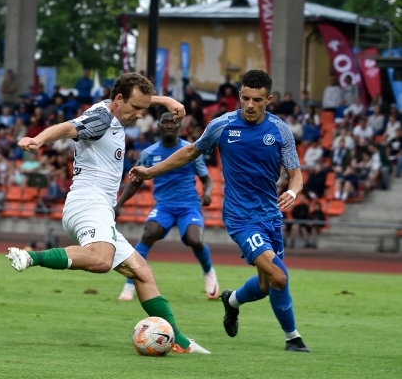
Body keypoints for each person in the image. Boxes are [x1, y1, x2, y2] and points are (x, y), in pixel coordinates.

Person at [6, 72, 210, 354]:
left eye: (143, 107)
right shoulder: (101, 120)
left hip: (97, 206)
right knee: (101, 260)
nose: (140, 115)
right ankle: (30, 256)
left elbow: (138, 98)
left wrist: (164, 101)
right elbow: (67, 128)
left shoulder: (113, 106)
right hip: (88, 202)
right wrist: (39, 140)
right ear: (118, 99)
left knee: (142, 273)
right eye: (136, 108)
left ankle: (181, 343)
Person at [129, 70, 309, 352]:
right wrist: (151, 171)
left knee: (265, 285)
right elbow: (190, 153)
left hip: (270, 216)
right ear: (239, 96)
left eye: (257, 100)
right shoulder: (222, 126)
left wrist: (292, 191)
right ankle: (293, 338)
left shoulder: (280, 130)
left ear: (269, 100)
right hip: (240, 218)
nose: (250, 105)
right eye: (245, 98)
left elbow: (295, 174)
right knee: (280, 276)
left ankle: (233, 300)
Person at [114, 111, 219, 301]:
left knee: (195, 240)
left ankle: (209, 272)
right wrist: (119, 204)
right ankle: (130, 283)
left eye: (173, 122)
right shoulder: (149, 154)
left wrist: (207, 193)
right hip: (164, 206)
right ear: (159, 126)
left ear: (179, 126)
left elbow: (207, 179)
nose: (169, 125)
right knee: (149, 233)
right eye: (165, 122)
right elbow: (136, 182)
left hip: (189, 205)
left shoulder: (191, 150)